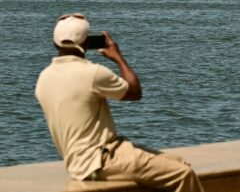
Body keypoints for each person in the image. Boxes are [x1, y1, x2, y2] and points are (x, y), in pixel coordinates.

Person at [35, 13, 204, 191]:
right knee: (182, 173)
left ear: (55, 43)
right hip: (102, 159)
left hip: (78, 163)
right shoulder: (93, 73)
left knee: (178, 162)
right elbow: (134, 92)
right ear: (86, 43)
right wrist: (117, 57)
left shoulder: (43, 78)